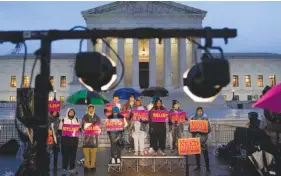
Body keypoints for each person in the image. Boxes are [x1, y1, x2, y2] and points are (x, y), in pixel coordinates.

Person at [59, 108, 80, 175]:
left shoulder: (76, 120)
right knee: (66, 154)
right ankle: (64, 167)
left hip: (74, 140)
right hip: (66, 139)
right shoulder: (63, 120)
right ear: (68, 112)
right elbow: (60, 129)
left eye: (72, 112)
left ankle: (72, 168)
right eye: (70, 112)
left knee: (73, 154)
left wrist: (79, 130)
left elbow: (79, 129)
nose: (71, 113)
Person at [189, 107, 211, 172]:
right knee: (197, 154)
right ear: (196, 111)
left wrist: (203, 131)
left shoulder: (205, 119)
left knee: (205, 154)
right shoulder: (193, 118)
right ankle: (198, 166)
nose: (199, 112)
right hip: (196, 140)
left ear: (202, 112)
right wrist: (193, 130)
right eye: (198, 111)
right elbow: (189, 129)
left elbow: (209, 129)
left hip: (204, 140)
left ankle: (207, 167)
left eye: (201, 111)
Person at [82, 104, 101, 171]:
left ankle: (92, 165)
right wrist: (88, 124)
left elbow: (99, 127)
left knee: (93, 153)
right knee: (86, 153)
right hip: (86, 138)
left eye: (92, 108)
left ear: (94, 109)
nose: (91, 109)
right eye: (90, 108)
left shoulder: (97, 117)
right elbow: (82, 126)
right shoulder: (85, 117)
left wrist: (95, 124)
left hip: (94, 138)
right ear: (88, 109)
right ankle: (86, 166)